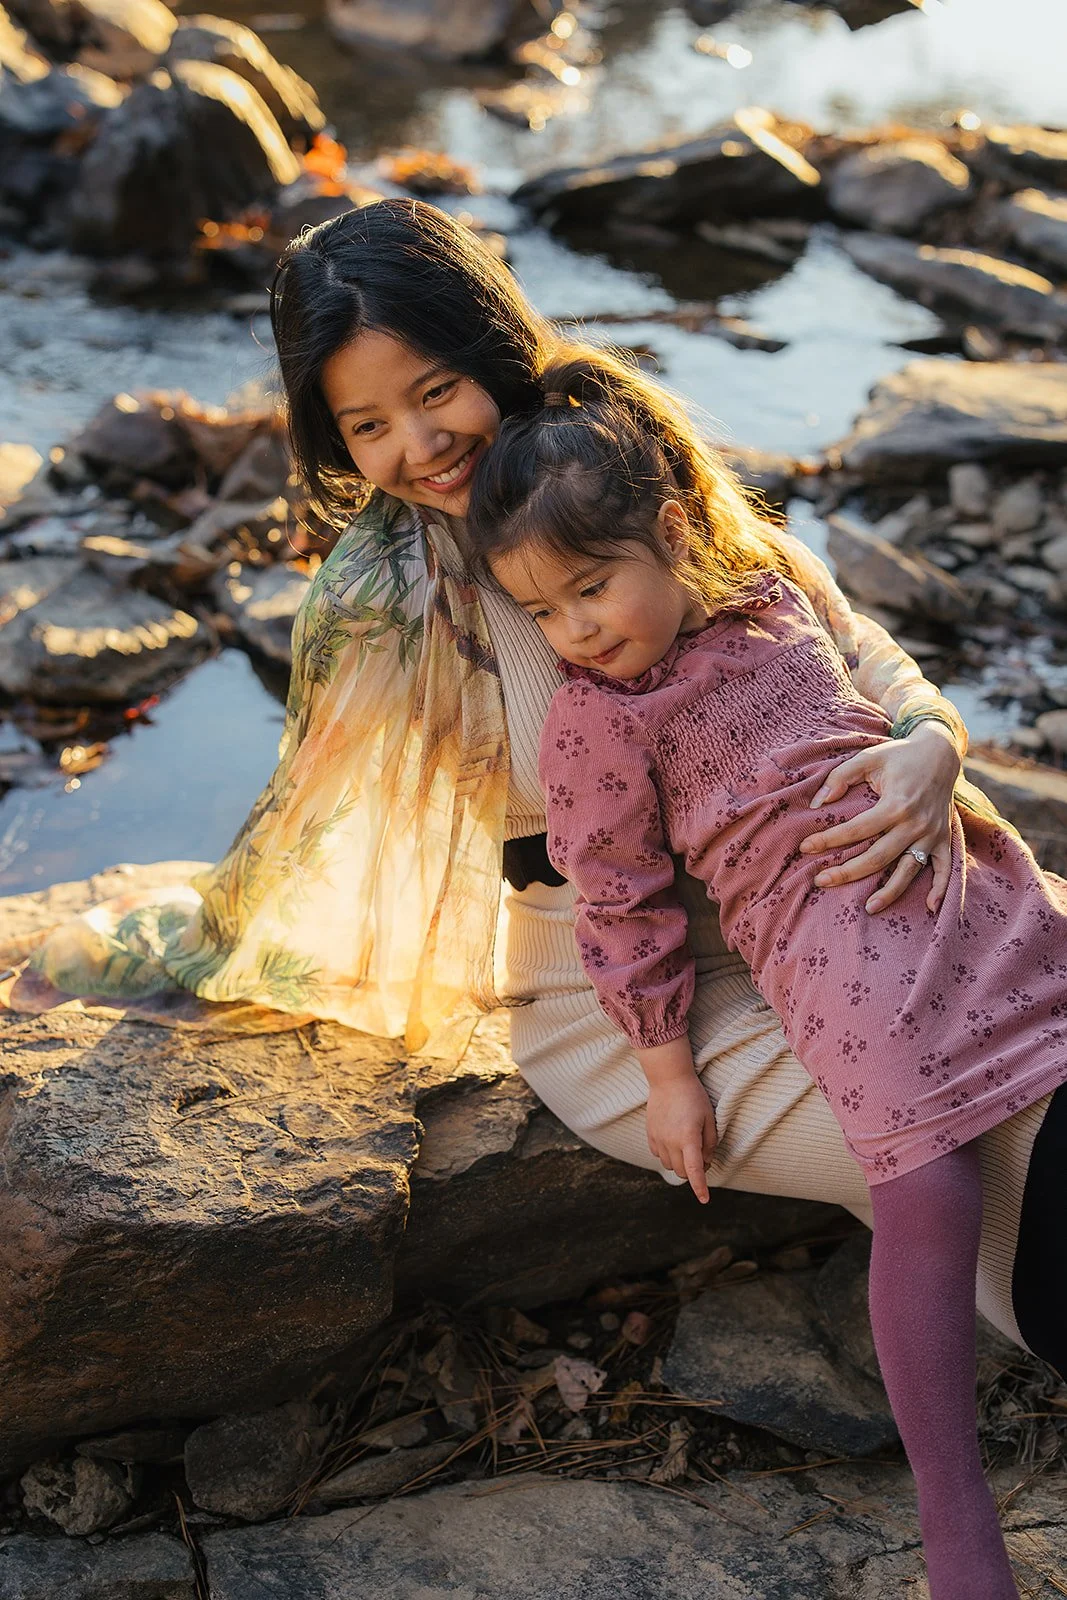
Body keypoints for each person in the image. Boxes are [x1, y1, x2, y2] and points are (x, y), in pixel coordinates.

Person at [27, 197, 1065, 1419]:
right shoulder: (386, 604)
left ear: (490, 346)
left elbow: (834, 626)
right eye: (366, 424)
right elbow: (312, 825)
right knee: (1003, 1132)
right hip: (630, 1002)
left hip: (845, 900)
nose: (417, 445)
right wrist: (194, 937)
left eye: (434, 391)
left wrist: (929, 742)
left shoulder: (604, 462)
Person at [466, 361, 1067, 1598]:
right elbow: (618, 906)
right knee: (928, 1187)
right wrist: (665, 1072)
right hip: (835, 959)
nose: (575, 630)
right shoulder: (594, 722)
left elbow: (888, 688)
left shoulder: (770, 591)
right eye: (543, 611)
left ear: (672, 533)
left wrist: (925, 752)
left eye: (591, 588)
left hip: (961, 887)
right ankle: (957, 1525)